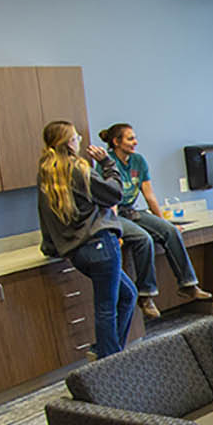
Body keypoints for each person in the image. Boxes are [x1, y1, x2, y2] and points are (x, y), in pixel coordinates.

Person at [37, 119, 138, 356]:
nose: (79, 141)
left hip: (77, 252)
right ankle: (109, 360)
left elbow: (44, 214)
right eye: (76, 138)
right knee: (106, 308)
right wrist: (107, 163)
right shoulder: (78, 169)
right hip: (101, 245)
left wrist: (51, 246)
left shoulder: (46, 173)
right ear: (69, 143)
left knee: (128, 294)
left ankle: (107, 351)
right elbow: (114, 194)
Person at [100, 122, 213, 305]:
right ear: (116, 142)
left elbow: (149, 195)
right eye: (130, 138)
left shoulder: (138, 161)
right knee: (144, 239)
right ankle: (146, 295)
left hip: (132, 211)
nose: (135, 142)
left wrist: (164, 223)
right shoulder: (107, 163)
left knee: (171, 231)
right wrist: (114, 230)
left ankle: (188, 285)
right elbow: (110, 200)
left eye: (135, 138)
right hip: (114, 214)